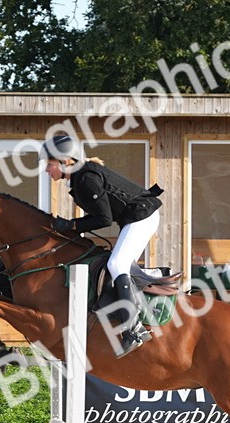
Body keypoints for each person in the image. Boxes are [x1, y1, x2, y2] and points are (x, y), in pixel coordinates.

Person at [41, 133, 163, 356]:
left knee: (117, 264)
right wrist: (72, 226)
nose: (47, 170)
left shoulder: (86, 179)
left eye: (49, 164)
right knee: (118, 264)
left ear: (65, 161)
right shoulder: (80, 177)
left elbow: (104, 219)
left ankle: (134, 328)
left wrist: (71, 225)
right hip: (136, 217)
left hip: (142, 217)